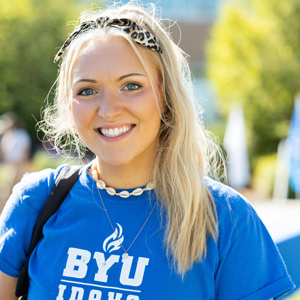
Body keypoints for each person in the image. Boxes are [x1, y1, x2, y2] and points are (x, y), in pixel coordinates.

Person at [0, 1, 295, 299]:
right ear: (68, 104)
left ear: (166, 95)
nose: (109, 110)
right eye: (87, 91)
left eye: (131, 86)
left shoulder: (225, 218)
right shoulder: (36, 201)